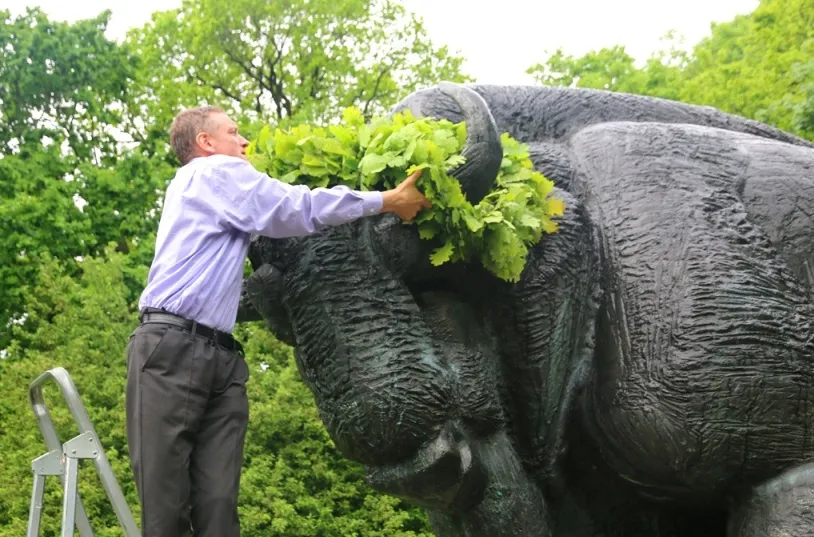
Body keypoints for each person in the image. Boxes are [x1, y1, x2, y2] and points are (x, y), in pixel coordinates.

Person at [125, 105, 431, 537]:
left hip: (221, 360)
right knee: (166, 510)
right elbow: (296, 206)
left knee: (218, 506)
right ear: (205, 143)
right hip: (170, 351)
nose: (244, 140)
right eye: (233, 132)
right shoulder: (209, 174)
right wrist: (386, 201)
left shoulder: (224, 200)